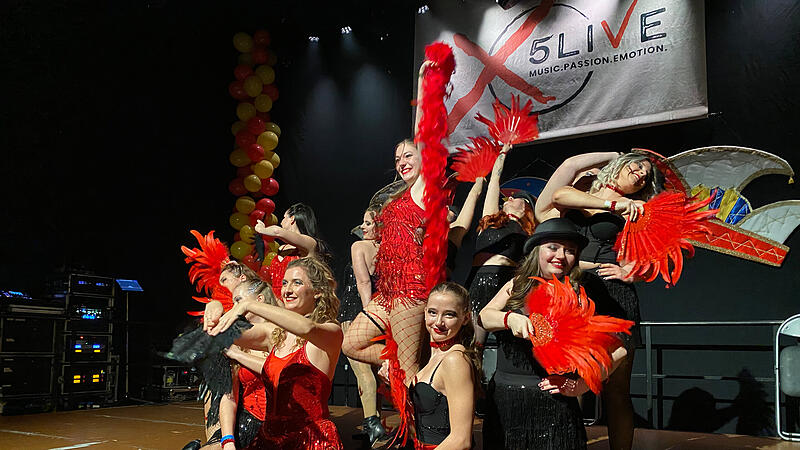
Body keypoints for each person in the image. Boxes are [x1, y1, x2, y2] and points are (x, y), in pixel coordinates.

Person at [534, 152, 659, 450]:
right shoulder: (580, 196)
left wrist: (633, 274)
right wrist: (612, 165)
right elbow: (561, 187)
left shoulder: (637, 210)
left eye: (647, 176)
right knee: (566, 382)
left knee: (615, 391)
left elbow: (656, 256)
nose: (642, 174)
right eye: (638, 164)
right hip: (572, 294)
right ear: (620, 164)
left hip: (612, 296)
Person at [479, 218, 628, 450]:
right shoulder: (518, 284)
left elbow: (620, 348)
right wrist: (510, 318)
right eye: (553, 247)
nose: (561, 255)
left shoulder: (580, 295)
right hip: (505, 404)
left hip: (553, 408)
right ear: (536, 251)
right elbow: (485, 317)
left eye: (569, 250)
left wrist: (582, 385)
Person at [342, 60, 433, 384]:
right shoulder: (397, 196)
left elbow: (424, 132)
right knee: (351, 342)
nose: (402, 162)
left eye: (408, 155)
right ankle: (395, 364)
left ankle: (414, 434)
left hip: (411, 288)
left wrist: (424, 83)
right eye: (398, 159)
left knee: (407, 375)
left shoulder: (424, 190)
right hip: (388, 289)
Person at [210, 257, 343, 449]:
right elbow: (224, 335)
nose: (287, 290)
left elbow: (306, 328)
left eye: (297, 283)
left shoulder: (330, 332)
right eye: (284, 283)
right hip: (270, 439)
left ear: (318, 292)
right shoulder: (275, 334)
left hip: (310, 440)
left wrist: (249, 305)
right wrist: (215, 309)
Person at [466, 147, 535, 346]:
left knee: (509, 343)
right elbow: (494, 183)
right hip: (477, 282)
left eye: (516, 197)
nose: (509, 198)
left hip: (505, 286)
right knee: (473, 346)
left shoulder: (529, 234)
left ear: (527, 207)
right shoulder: (491, 221)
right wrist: (502, 154)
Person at [204, 278, 280, 450]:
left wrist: (237, 355)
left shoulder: (282, 333)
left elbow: (278, 369)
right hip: (249, 421)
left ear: (259, 300)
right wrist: (228, 441)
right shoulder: (236, 340)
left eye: (238, 301)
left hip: (282, 426)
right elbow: (229, 396)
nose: (234, 309)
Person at [406, 282, 480, 449]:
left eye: (449, 315)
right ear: (425, 313)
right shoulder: (436, 354)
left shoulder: (455, 361)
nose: (438, 322)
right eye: (433, 312)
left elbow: (461, 440)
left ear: (465, 318)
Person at [337, 207, 387, 444]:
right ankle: (374, 423)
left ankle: (372, 423)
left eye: (368, 223)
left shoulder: (359, 247)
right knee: (374, 371)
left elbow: (363, 281)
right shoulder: (387, 251)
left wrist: (366, 313)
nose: (363, 227)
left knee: (362, 371)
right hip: (379, 314)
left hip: (358, 312)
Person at [255, 203, 329, 299]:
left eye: (284, 217)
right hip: (276, 299)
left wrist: (262, 229)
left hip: (296, 297)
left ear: (292, 219)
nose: (281, 222)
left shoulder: (310, 243)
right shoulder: (282, 248)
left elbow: (277, 232)